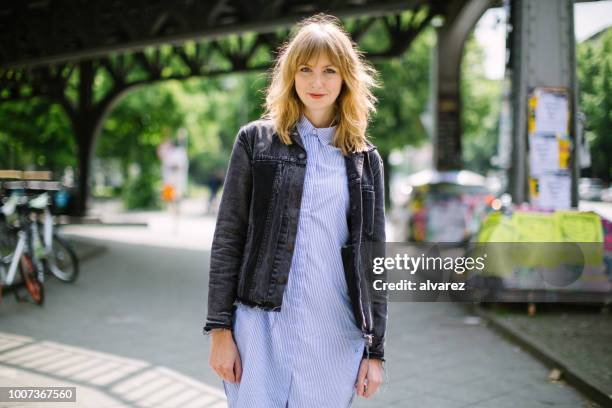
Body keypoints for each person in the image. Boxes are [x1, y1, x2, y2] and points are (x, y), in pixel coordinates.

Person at [204, 13, 387, 407]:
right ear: (290, 75)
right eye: (305, 69)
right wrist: (220, 330)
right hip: (261, 326)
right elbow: (228, 238)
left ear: (345, 79)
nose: (316, 82)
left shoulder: (363, 160)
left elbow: (374, 259)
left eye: (328, 70)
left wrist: (375, 351)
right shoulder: (255, 142)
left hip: (334, 330)